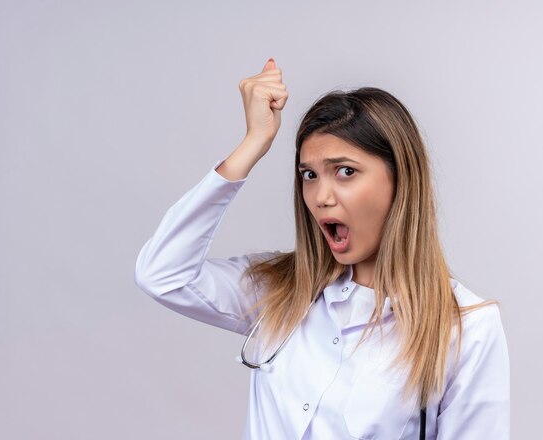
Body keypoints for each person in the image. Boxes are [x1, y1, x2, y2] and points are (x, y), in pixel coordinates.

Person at [134, 58, 510, 439]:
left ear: (401, 181)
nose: (320, 197)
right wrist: (253, 144)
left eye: (345, 171)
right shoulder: (281, 290)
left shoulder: (465, 328)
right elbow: (162, 273)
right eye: (309, 175)